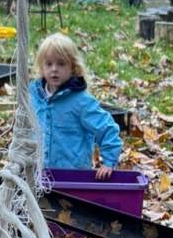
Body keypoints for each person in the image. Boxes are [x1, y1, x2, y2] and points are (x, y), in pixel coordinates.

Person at [32, 33, 122, 178]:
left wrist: (109, 162)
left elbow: (106, 128)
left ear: (73, 67)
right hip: (37, 174)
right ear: (41, 67)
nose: (54, 69)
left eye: (61, 64)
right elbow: (23, 127)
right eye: (49, 64)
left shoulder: (81, 101)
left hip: (72, 176)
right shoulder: (34, 95)